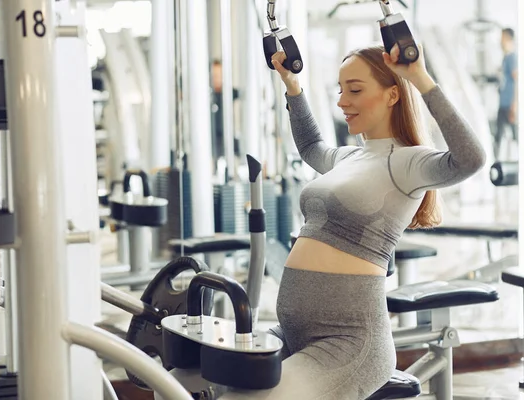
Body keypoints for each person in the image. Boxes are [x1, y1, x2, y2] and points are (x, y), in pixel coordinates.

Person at [216, 44, 486, 399]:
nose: (343, 101)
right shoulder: (350, 157)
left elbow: (471, 159)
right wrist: (292, 86)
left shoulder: (408, 162)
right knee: (213, 385)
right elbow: (312, 147)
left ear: (393, 94)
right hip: (292, 332)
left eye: (355, 90)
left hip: (350, 344)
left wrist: (419, 78)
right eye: (340, 90)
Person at [494, 27, 518, 159]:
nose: (500, 41)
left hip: (509, 103)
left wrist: (515, 105)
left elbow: (517, 81)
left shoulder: (512, 57)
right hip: (503, 102)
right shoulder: (505, 58)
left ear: (508, 38)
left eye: (502, 37)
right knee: (499, 135)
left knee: (515, 136)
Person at [210, 60, 239, 165]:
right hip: (210, 138)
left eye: (219, 75)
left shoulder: (230, 93)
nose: (217, 78)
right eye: (214, 75)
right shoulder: (206, 95)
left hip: (226, 136)